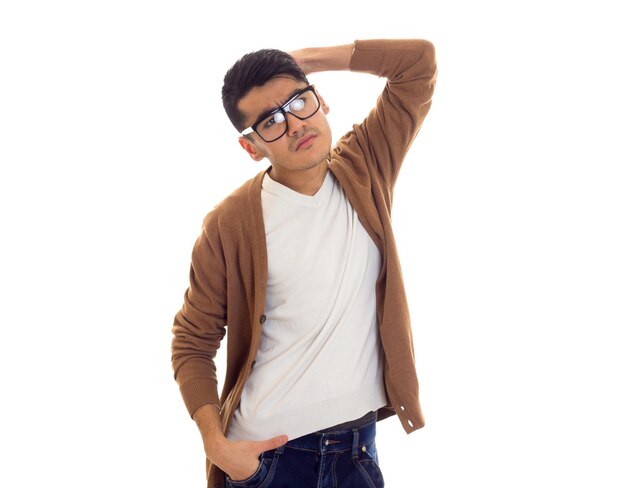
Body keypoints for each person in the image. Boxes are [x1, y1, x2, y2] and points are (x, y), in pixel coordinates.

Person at [172, 38, 437, 488]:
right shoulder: (230, 223)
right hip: (270, 461)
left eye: (300, 101)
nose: (294, 123)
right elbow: (192, 342)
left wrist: (303, 61)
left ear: (321, 101)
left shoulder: (365, 167)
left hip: (358, 450)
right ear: (251, 147)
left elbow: (417, 63)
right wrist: (216, 445)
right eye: (270, 121)